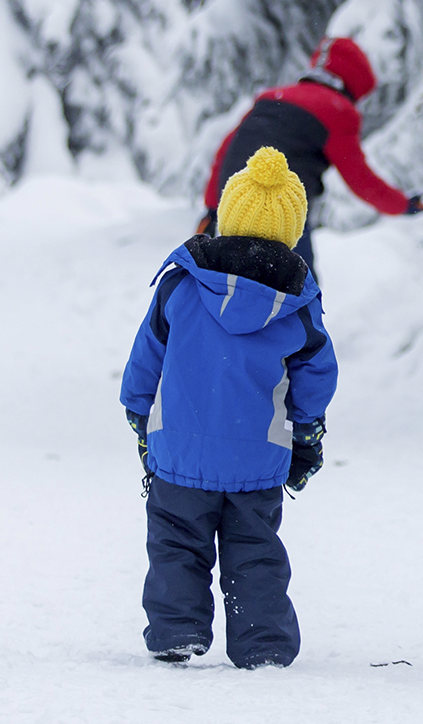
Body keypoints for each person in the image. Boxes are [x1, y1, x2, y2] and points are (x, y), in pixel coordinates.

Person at [121, 146, 338, 668]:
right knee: (255, 552)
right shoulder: (297, 304)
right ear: (292, 229)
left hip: (180, 453)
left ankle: (177, 629)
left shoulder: (181, 284)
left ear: (227, 214)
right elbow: (316, 376)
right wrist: (307, 435)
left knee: (176, 543)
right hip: (257, 459)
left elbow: (147, 354)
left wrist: (137, 411)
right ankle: (262, 643)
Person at [199, 36, 423, 269]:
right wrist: (402, 205)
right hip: (280, 208)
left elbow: (226, 151)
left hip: (234, 201)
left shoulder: (271, 97)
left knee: (231, 281)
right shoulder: (337, 110)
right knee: (299, 289)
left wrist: (212, 209)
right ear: (353, 85)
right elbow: (360, 179)